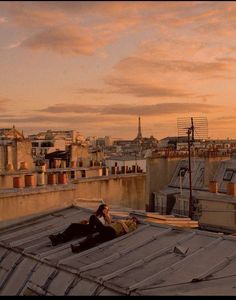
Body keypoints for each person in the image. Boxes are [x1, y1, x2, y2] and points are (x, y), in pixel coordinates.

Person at [70, 216, 139, 253]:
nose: (129, 217)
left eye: (131, 217)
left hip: (111, 231)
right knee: (93, 239)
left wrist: (121, 222)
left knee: (93, 217)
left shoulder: (133, 223)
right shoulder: (123, 220)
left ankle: (90, 229)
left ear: (134, 219)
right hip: (108, 231)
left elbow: (127, 231)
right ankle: (78, 248)